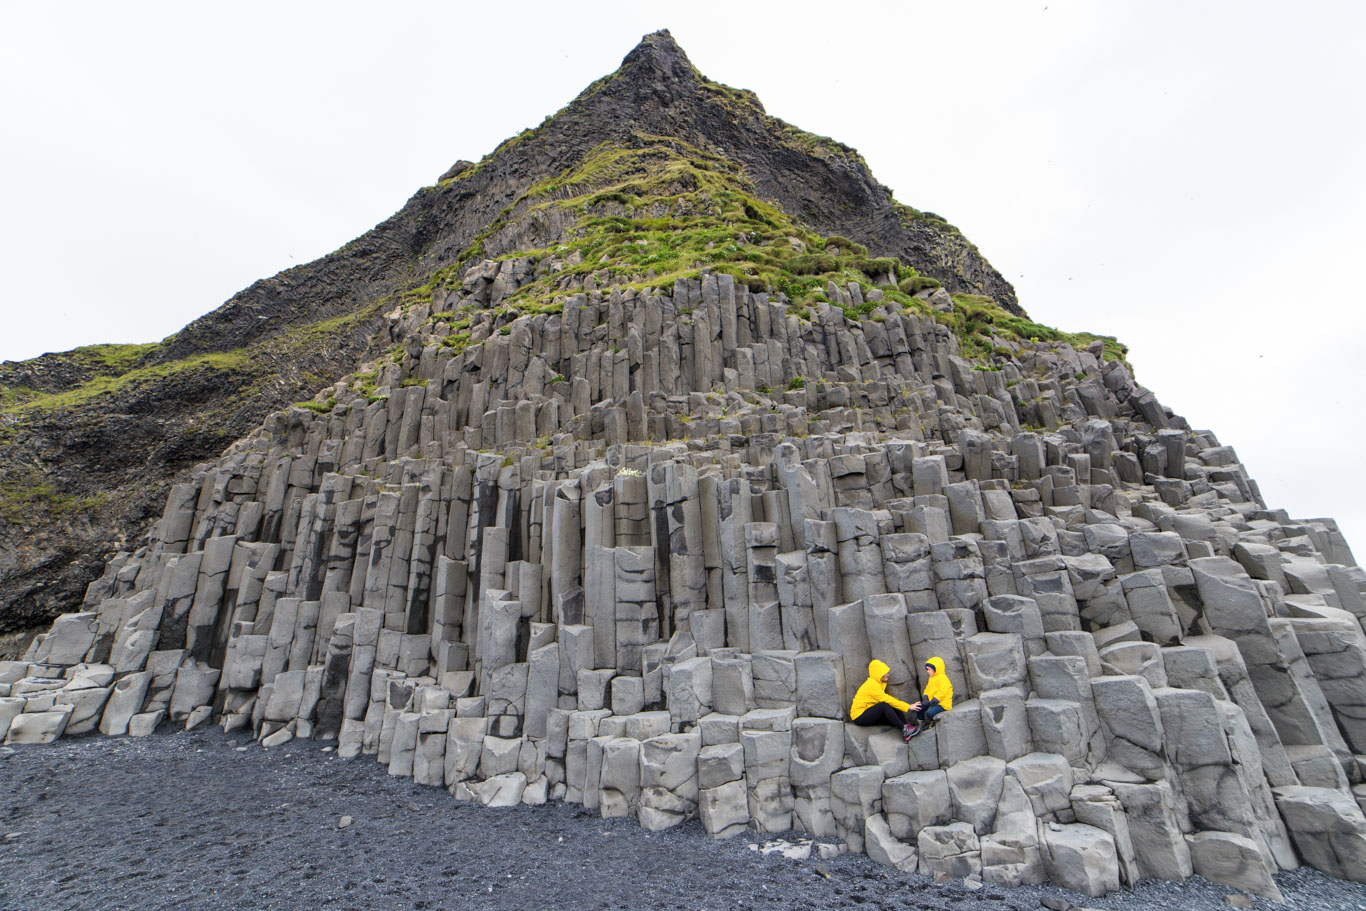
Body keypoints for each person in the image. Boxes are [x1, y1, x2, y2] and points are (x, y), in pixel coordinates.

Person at [850, 659, 918, 742]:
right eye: (885, 672)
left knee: (891, 703)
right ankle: (904, 729)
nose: (888, 674)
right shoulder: (871, 686)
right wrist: (909, 707)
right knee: (884, 705)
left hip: (869, 712)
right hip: (859, 716)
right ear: (878, 674)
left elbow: (891, 701)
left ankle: (905, 725)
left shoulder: (878, 683)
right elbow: (886, 699)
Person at [905, 656, 954, 738]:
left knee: (929, 713)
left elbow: (943, 690)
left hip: (943, 704)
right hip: (932, 701)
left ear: (936, 669)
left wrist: (936, 698)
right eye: (927, 670)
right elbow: (927, 689)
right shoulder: (931, 678)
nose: (927, 671)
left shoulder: (943, 678)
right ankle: (921, 724)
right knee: (919, 707)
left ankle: (933, 721)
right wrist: (925, 696)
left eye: (929, 669)